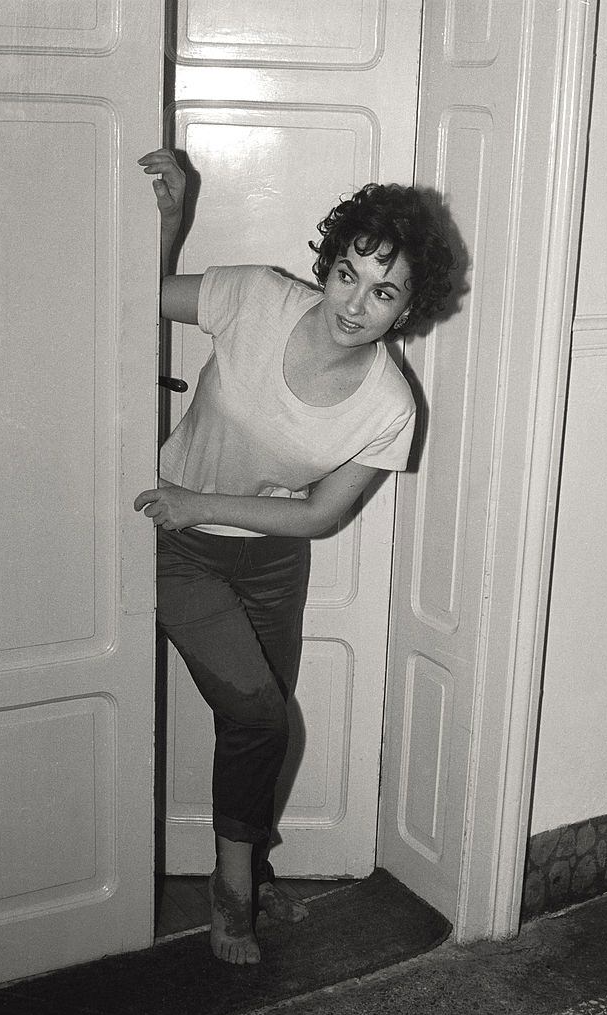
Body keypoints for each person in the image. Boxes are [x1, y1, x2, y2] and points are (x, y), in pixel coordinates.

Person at [134, 148, 454, 966]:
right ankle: (232, 891)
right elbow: (134, 299)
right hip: (177, 548)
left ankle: (253, 866)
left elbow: (316, 516)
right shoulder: (256, 298)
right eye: (348, 273)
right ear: (329, 261)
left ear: (408, 308)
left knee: (261, 723)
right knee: (259, 715)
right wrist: (171, 223)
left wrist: (200, 502)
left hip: (271, 560)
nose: (355, 303)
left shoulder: (390, 407)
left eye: (384, 292)